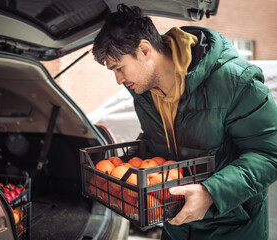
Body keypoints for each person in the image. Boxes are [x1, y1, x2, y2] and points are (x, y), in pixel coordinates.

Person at [92, 4, 277, 240]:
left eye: (119, 68)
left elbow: (269, 154)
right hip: (176, 223)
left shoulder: (236, 80)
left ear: (145, 50)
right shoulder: (143, 93)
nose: (118, 80)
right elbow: (157, 141)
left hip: (232, 226)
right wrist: (126, 170)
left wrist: (210, 193)